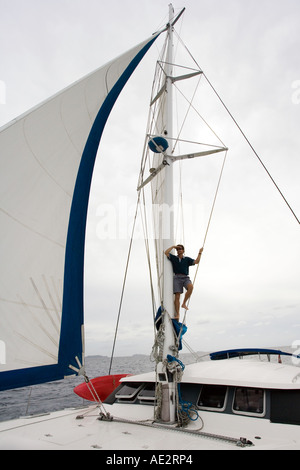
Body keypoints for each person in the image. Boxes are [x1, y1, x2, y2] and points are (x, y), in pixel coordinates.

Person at [164, 244, 203, 320]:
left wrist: (200, 253)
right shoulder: (174, 258)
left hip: (185, 277)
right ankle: (178, 314)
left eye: (181, 249)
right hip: (177, 277)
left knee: (191, 287)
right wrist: (173, 247)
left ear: (183, 250)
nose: (179, 250)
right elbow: (166, 252)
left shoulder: (187, 259)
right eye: (178, 249)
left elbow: (196, 261)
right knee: (177, 296)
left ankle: (184, 303)